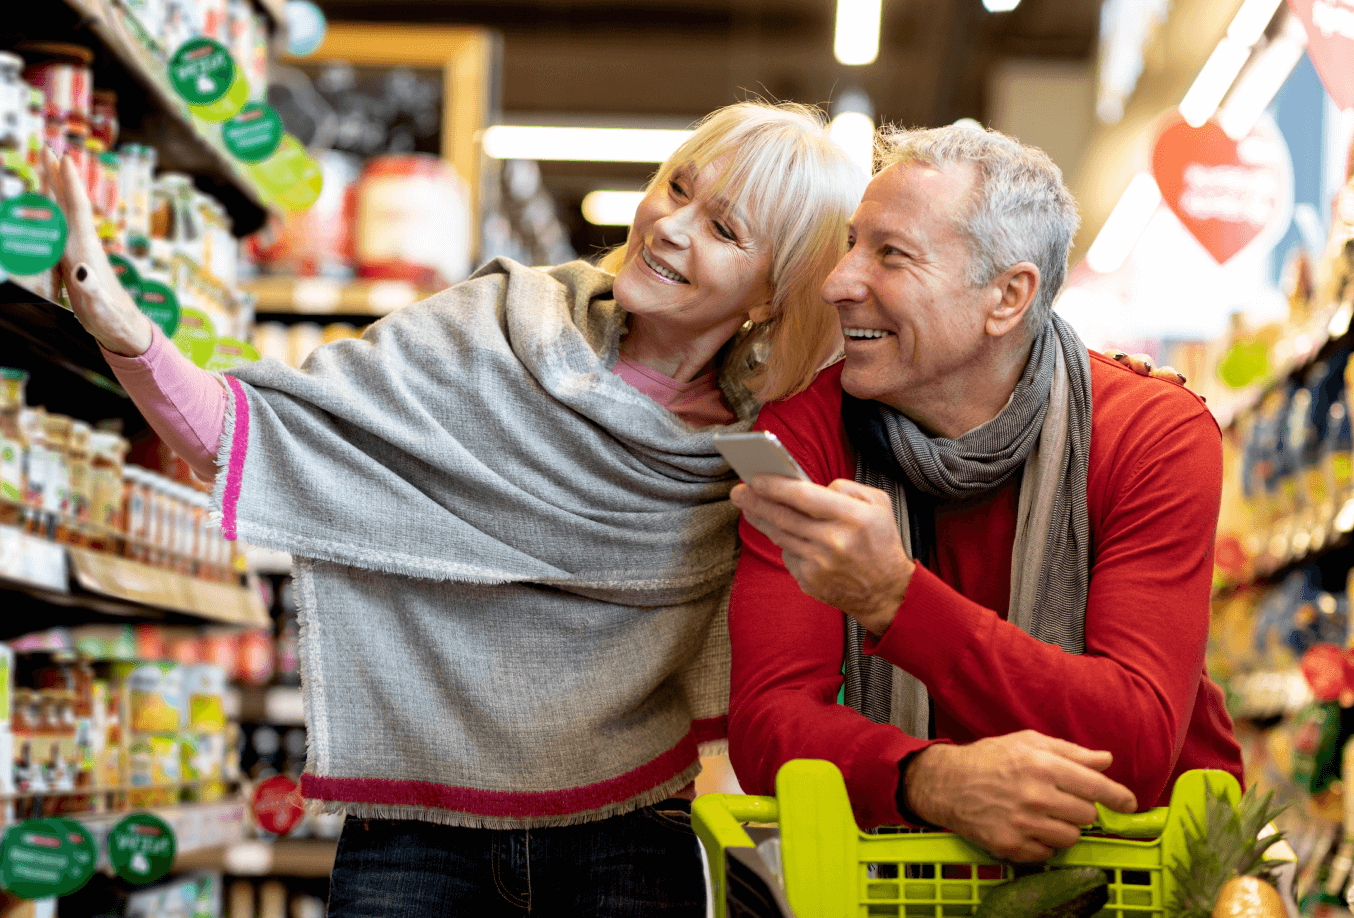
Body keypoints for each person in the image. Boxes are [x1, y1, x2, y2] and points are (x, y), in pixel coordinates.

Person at [42, 101, 867, 914]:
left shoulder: (763, 454)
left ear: (772, 293)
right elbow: (262, 434)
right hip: (418, 831)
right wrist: (122, 328)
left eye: (725, 229)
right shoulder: (493, 328)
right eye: (678, 188)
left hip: (629, 832)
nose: (673, 226)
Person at [726, 123, 1244, 864]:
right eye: (851, 243)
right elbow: (768, 720)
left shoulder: (1152, 433)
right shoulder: (806, 436)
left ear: (1007, 297)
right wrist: (927, 776)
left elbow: (1133, 747)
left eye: (890, 255)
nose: (837, 282)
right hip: (902, 872)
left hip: (1136, 866)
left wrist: (895, 599)